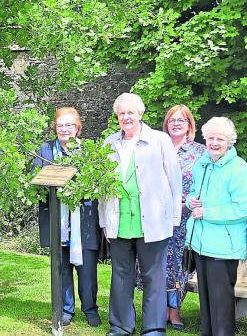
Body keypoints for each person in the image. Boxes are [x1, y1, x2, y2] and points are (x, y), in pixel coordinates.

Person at [97, 92, 181, 336]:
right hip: (119, 220)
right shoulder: (109, 143)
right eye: (121, 113)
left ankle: (154, 328)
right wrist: (104, 221)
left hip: (153, 222)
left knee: (154, 276)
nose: (126, 117)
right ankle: (121, 326)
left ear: (140, 114)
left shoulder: (160, 140)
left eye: (130, 112)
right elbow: (103, 187)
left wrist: (173, 219)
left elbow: (174, 182)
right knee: (121, 276)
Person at [185, 116, 247, 336]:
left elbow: (244, 209)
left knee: (221, 303)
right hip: (200, 244)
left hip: (224, 247)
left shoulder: (238, 167)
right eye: (210, 138)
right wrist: (190, 201)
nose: (214, 143)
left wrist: (207, 212)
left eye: (220, 139)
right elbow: (194, 192)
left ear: (230, 141)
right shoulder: (202, 163)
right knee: (205, 301)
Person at [34, 107, 101, 328]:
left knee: (87, 269)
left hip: (84, 221)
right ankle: (66, 310)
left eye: (69, 125)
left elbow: (97, 185)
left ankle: (90, 309)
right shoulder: (45, 150)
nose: (64, 129)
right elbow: (35, 180)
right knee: (62, 268)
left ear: (78, 128)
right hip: (57, 219)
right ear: (55, 127)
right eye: (60, 125)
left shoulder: (89, 151)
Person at [160, 105, 206, 330]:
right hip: (158, 217)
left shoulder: (200, 152)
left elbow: (205, 184)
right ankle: (159, 311)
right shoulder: (158, 146)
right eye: (172, 120)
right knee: (159, 264)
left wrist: (189, 202)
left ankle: (175, 312)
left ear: (190, 125)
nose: (176, 124)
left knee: (180, 265)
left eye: (181, 120)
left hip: (187, 220)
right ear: (166, 124)